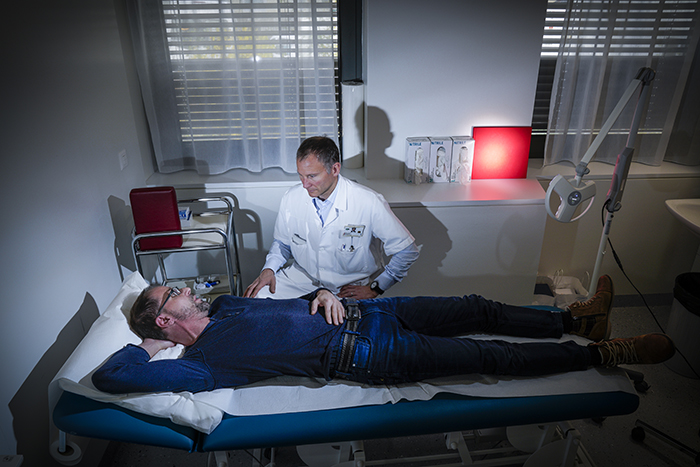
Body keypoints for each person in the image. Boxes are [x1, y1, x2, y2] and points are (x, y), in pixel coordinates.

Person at [92, 275, 675, 394]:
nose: (185, 290)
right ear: (165, 319)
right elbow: (112, 375)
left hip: (367, 310)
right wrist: (149, 345)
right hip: (368, 351)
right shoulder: (202, 363)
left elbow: (294, 305)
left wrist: (321, 293)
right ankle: (605, 349)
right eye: (171, 295)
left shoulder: (225, 307)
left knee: (477, 306)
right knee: (488, 354)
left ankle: (574, 319)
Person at [244, 136, 419, 302]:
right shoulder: (292, 198)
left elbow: (406, 251)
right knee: (258, 298)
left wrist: (376, 287)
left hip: (347, 287)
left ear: (335, 169)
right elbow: (282, 243)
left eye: (312, 176)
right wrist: (269, 269)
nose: (304, 185)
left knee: (330, 324)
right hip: (303, 280)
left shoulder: (368, 201)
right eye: (301, 175)